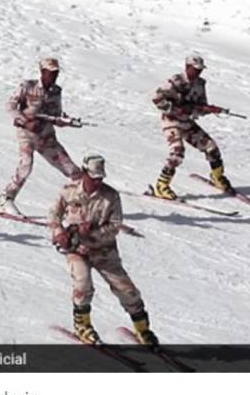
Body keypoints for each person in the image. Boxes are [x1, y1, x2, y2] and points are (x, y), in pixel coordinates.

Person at [48, 154, 158, 346]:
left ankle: (142, 329)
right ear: (84, 173)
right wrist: (59, 233)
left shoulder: (111, 196)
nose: (97, 181)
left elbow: (115, 226)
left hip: (103, 250)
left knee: (127, 290)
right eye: (94, 177)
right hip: (76, 249)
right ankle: (83, 326)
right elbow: (53, 214)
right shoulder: (69, 191)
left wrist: (92, 232)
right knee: (82, 283)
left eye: (100, 178)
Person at [0, 57, 80, 215]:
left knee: (71, 169)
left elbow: (55, 114)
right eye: (50, 72)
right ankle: (5, 199)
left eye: (56, 73)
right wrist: (25, 122)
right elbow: (10, 106)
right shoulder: (27, 86)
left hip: (46, 137)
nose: (54, 76)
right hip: (26, 135)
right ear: (42, 72)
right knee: (26, 165)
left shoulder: (56, 91)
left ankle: (81, 205)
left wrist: (64, 121)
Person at [151, 54, 233, 200]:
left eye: (200, 69)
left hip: (187, 122)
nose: (198, 72)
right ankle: (161, 185)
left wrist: (209, 109)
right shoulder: (175, 81)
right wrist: (175, 109)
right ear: (187, 67)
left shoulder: (200, 84)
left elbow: (199, 107)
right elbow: (157, 99)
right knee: (177, 152)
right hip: (171, 122)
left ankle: (217, 177)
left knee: (211, 147)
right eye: (195, 69)